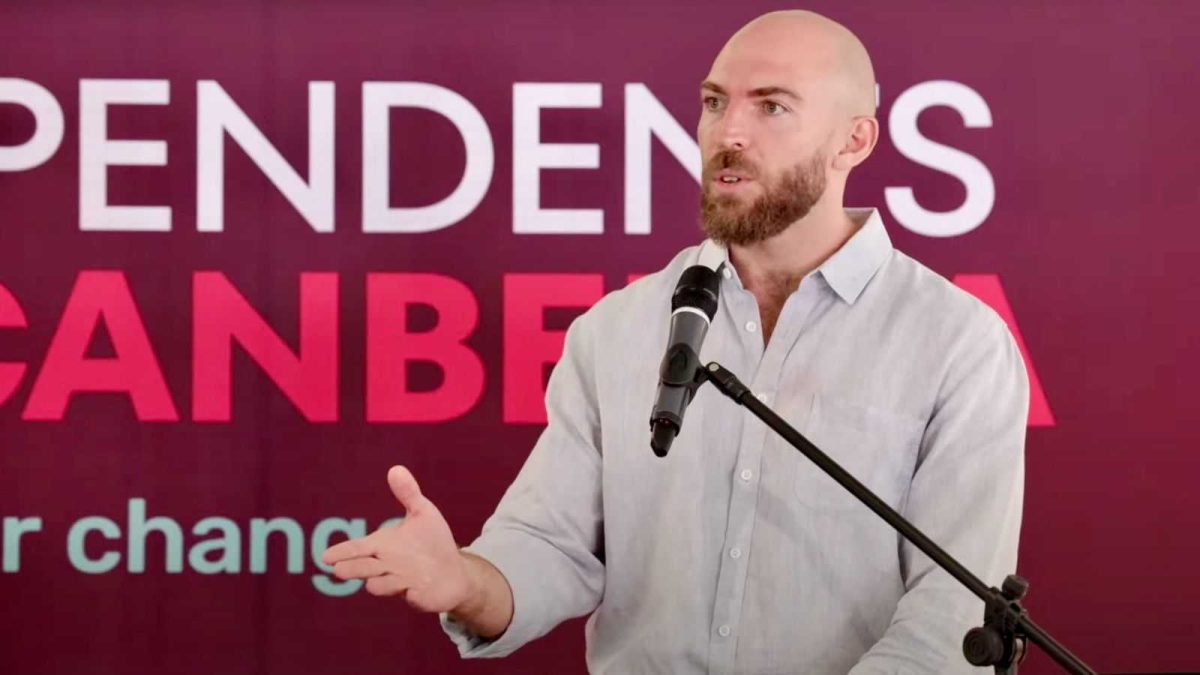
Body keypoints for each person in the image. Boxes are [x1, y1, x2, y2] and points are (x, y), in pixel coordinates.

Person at [323, 9, 1028, 674]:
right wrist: (464, 579)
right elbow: (549, 544)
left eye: (771, 105)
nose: (730, 133)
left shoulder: (956, 344)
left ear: (855, 140)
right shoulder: (616, 330)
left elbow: (950, 617)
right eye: (715, 101)